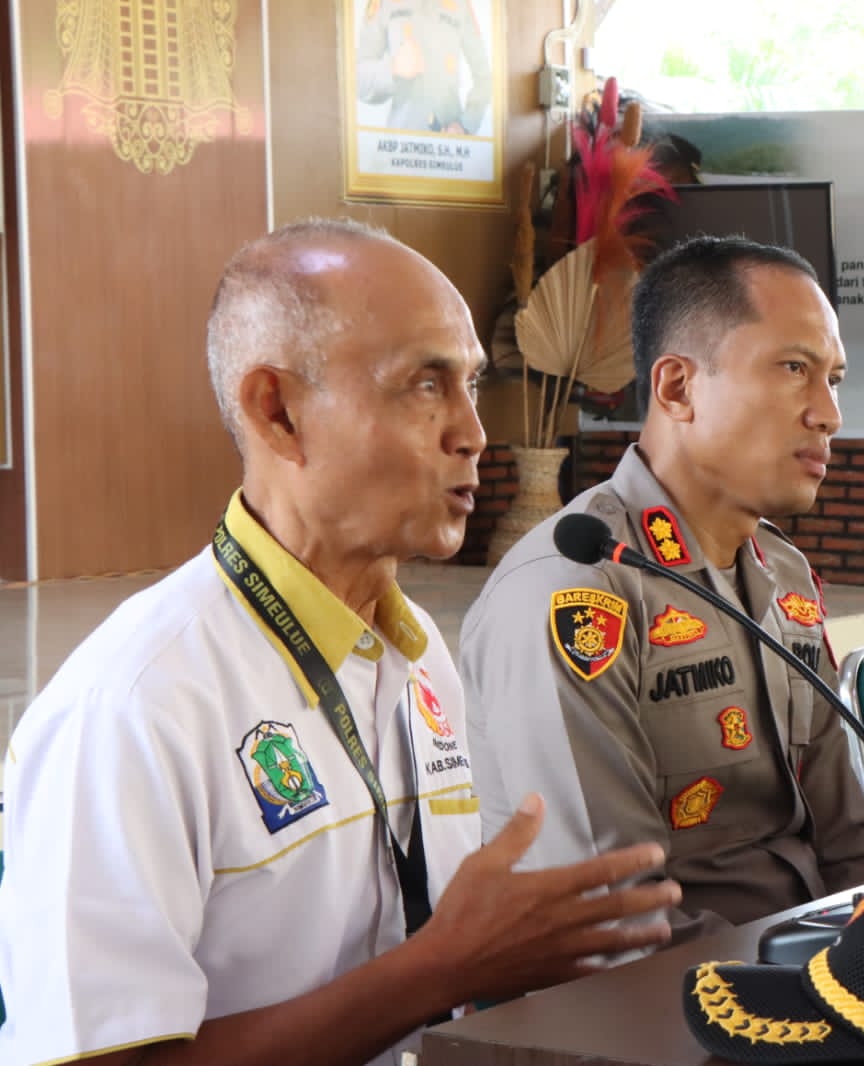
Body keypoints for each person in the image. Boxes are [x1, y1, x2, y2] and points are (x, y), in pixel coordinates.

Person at [0, 219, 680, 1066]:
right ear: (278, 413)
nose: (472, 432)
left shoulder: (420, 650)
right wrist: (442, 969)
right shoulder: (135, 706)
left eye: (469, 384)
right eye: (425, 385)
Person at [462, 236, 864, 943]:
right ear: (677, 388)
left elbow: (850, 847)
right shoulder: (577, 588)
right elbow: (615, 916)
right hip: (657, 1006)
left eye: (833, 379)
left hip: (815, 965)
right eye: (793, 369)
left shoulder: (782, 573)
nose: (828, 414)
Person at [357, 0, 492, 135]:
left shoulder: (461, 4)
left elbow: (485, 77)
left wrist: (466, 124)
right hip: (401, 144)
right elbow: (358, 78)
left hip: (449, 142)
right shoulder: (382, 3)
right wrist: (392, 69)